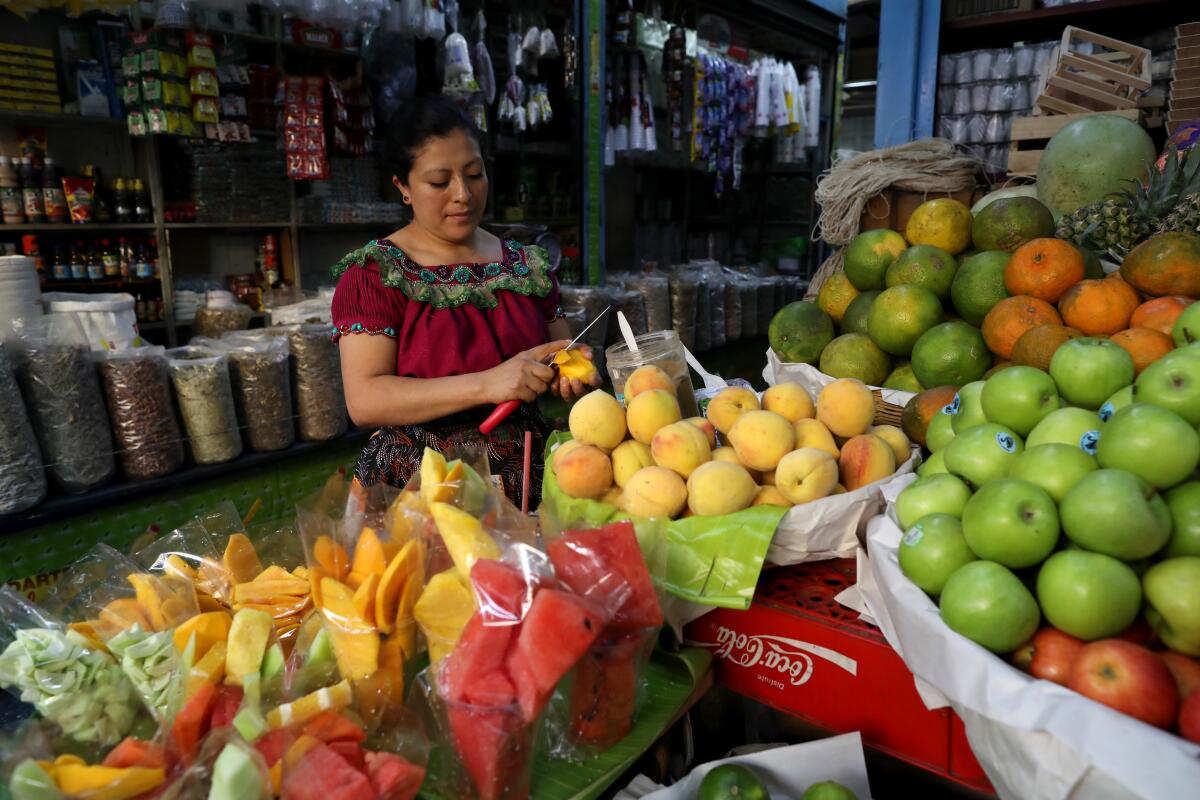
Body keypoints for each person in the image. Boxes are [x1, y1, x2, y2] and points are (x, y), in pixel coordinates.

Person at [330, 95, 599, 505]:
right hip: (422, 488)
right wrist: (488, 383)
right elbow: (365, 400)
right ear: (402, 186)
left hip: (530, 476)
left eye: (475, 174)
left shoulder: (526, 265)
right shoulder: (376, 274)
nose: (464, 195)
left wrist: (570, 370)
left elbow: (556, 354)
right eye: (440, 182)